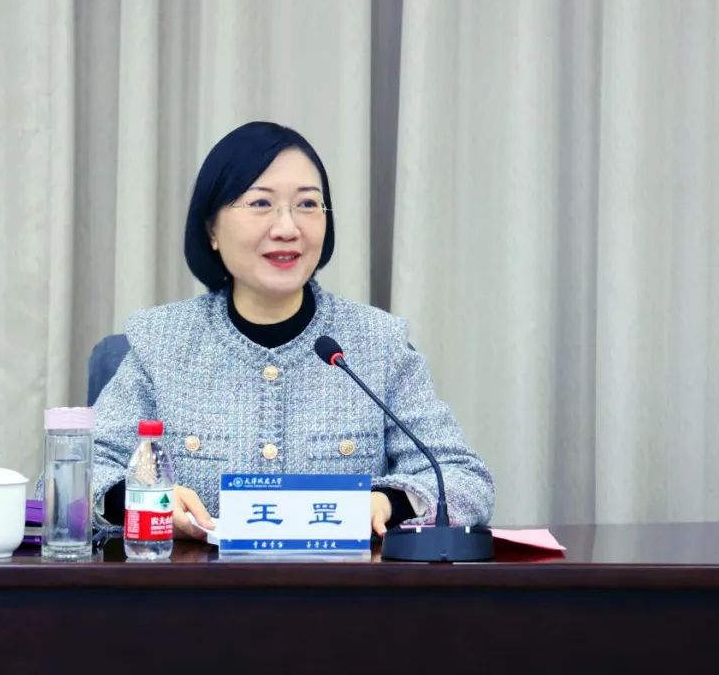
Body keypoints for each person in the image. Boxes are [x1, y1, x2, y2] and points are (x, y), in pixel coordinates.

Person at [92, 121, 493, 540]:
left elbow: (464, 479)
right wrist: (143, 498)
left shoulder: (378, 342)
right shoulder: (163, 341)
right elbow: (85, 472)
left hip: (341, 582)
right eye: (261, 203)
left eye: (307, 204)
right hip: (198, 581)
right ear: (212, 229)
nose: (287, 228)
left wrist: (387, 503)